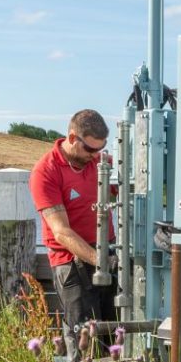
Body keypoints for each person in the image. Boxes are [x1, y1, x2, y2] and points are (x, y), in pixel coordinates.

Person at [28, 108, 116, 349]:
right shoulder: (45, 172)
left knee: (116, 336)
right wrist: (99, 261)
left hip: (106, 255)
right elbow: (61, 231)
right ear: (72, 137)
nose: (95, 155)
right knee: (84, 338)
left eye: (100, 149)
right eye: (89, 149)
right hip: (72, 264)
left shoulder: (99, 163)